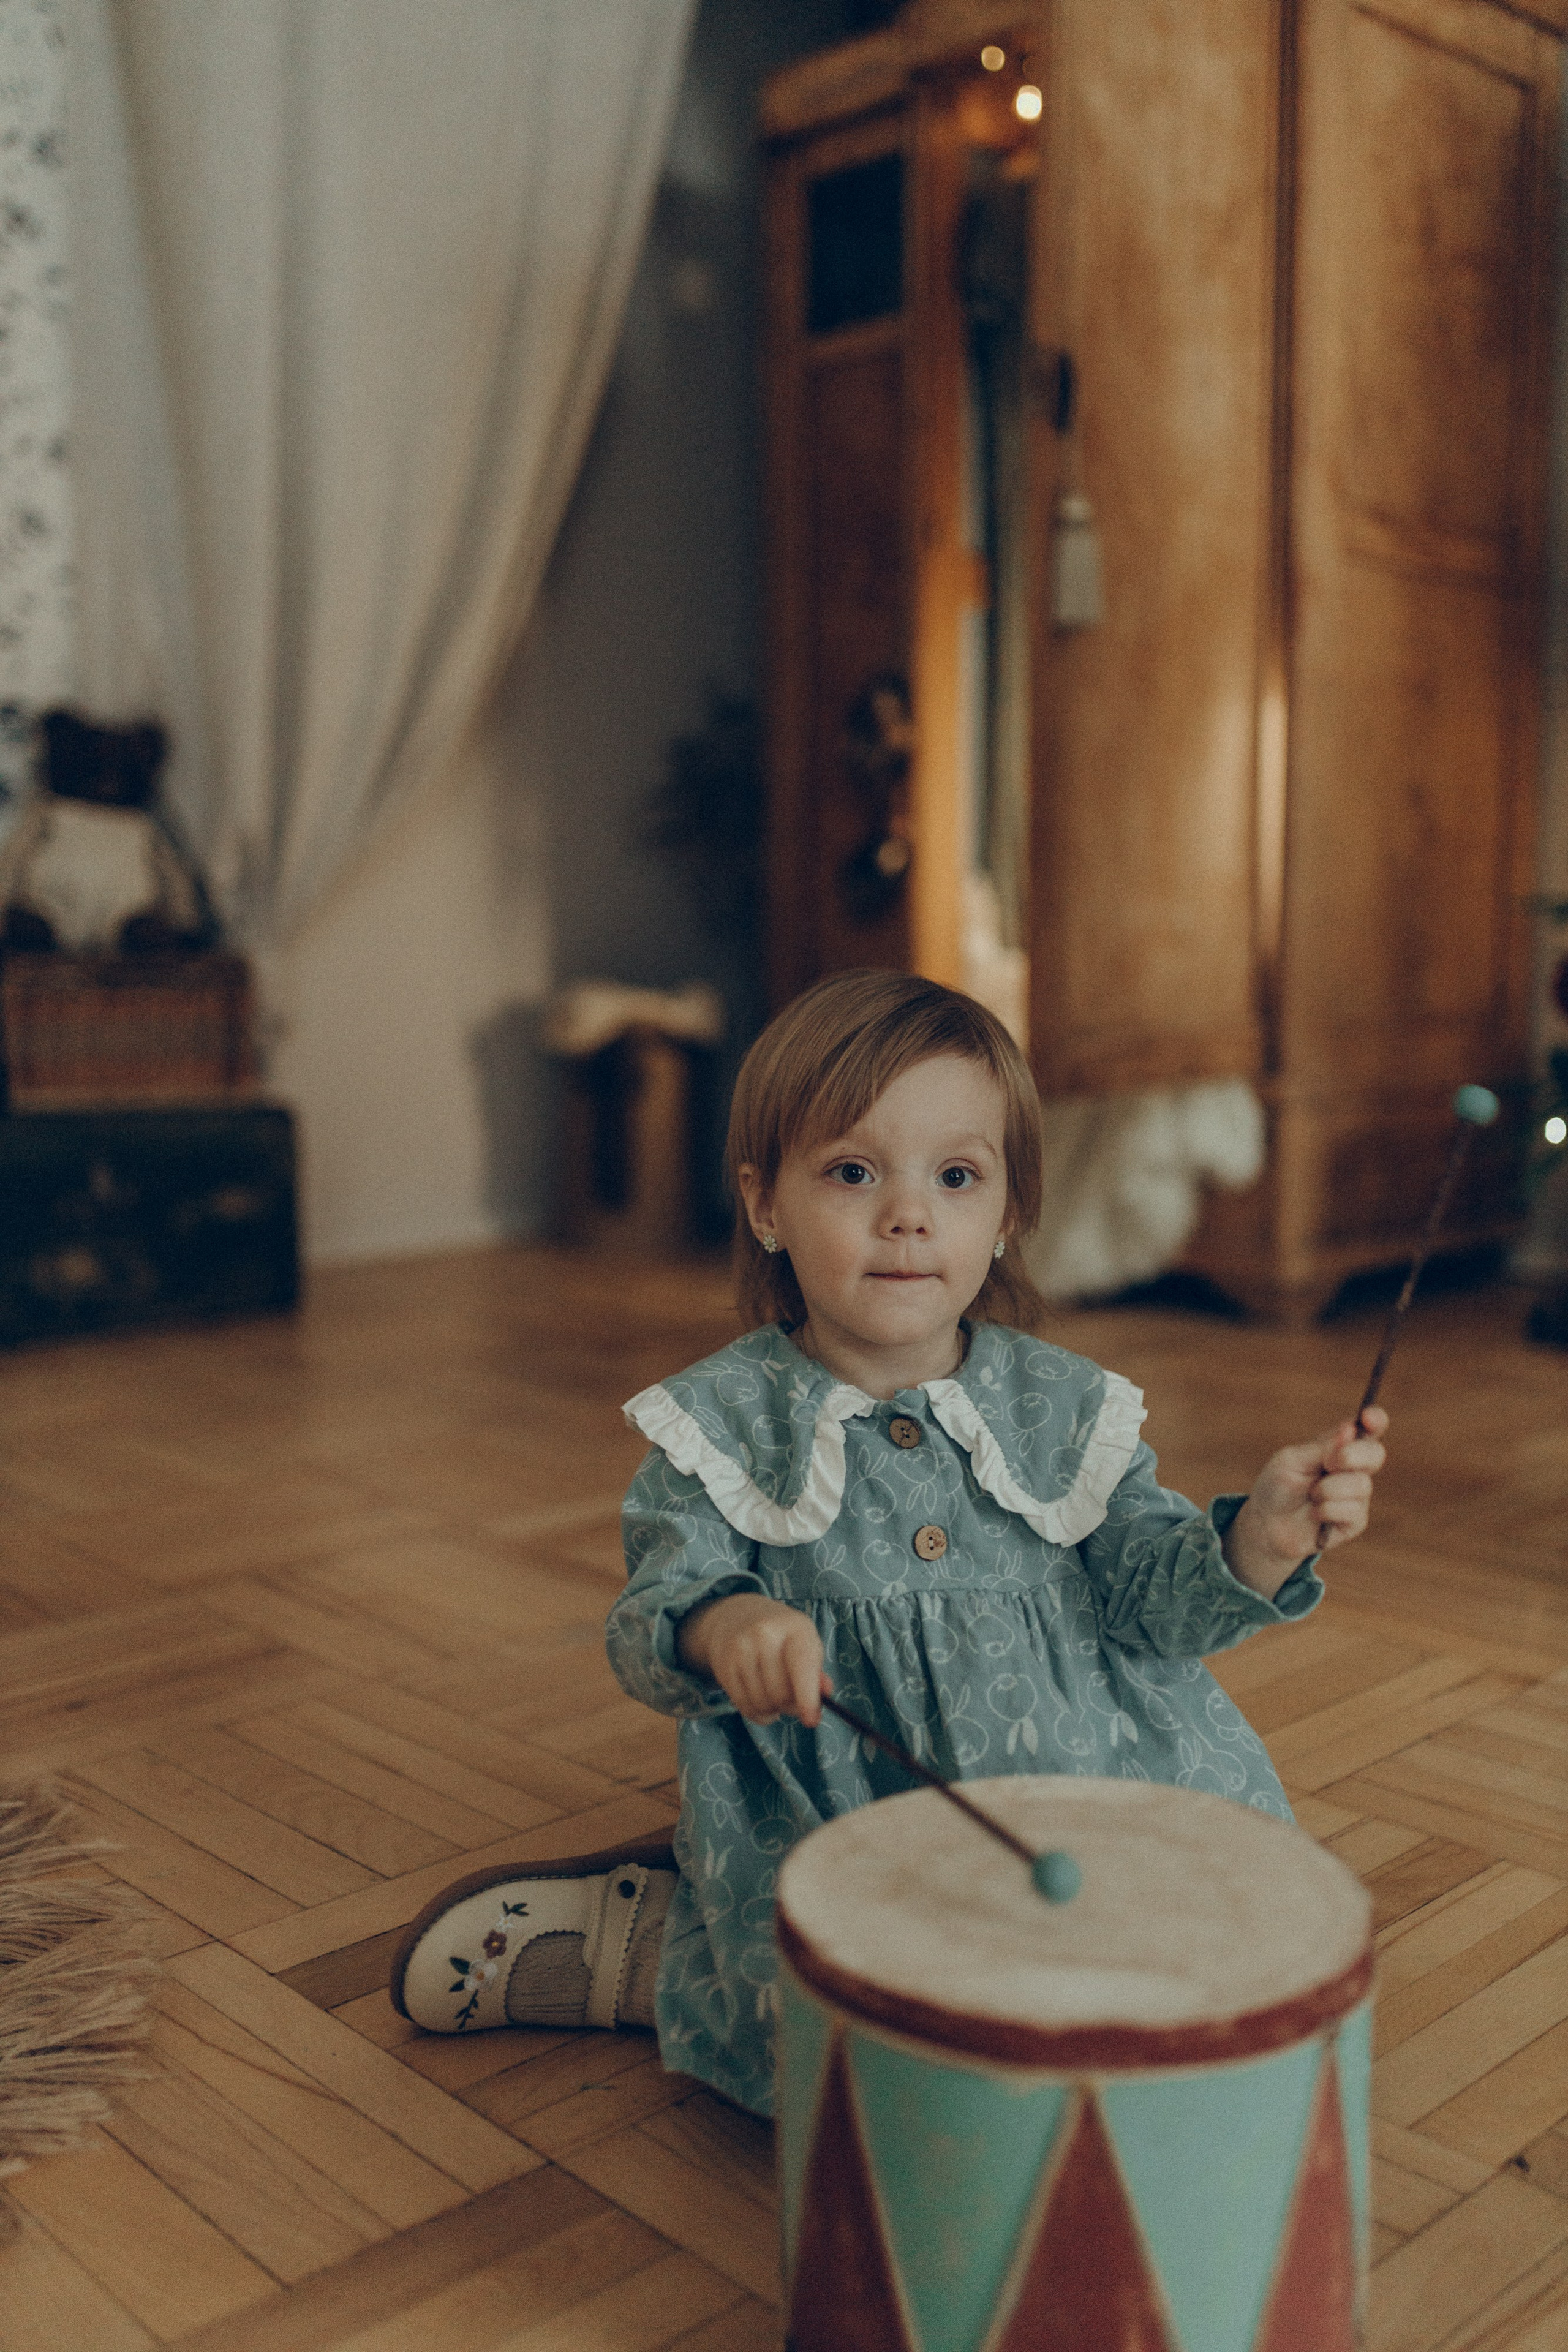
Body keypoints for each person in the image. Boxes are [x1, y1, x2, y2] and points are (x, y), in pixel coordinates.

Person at [390, 970, 1387, 2117]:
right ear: (766, 1206)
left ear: (1008, 1212)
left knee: (1201, 1957)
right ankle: (653, 1949)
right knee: (849, 2054)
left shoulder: (1067, 1407)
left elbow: (1158, 1609)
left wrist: (1258, 1542)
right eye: (854, 1173)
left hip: (1094, 1794)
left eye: (956, 1177)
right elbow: (648, 1619)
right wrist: (726, 1624)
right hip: (844, 1811)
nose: (909, 1214)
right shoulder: (720, 1425)